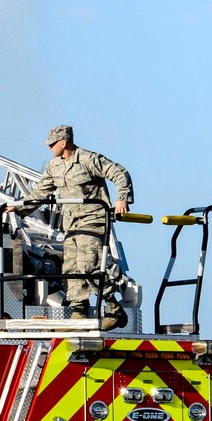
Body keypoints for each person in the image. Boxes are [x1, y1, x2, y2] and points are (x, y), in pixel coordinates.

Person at [22, 125, 134, 324]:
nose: (49, 148)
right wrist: (17, 209)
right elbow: (40, 193)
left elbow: (119, 173)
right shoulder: (54, 166)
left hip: (92, 221)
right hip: (72, 225)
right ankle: (78, 312)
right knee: (71, 269)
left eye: (52, 144)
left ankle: (113, 306)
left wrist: (122, 199)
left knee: (88, 264)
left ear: (63, 142)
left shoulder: (88, 160)